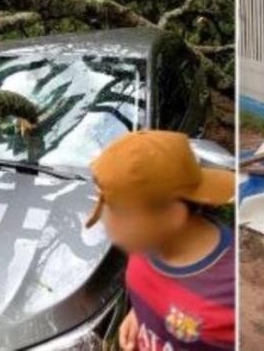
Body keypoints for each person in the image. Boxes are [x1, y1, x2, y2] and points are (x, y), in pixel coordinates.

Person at [85, 130, 235, 351]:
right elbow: (158, 294)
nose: (109, 227)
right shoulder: (147, 243)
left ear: (172, 214)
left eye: (121, 213)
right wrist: (140, 316)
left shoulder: (230, 290)